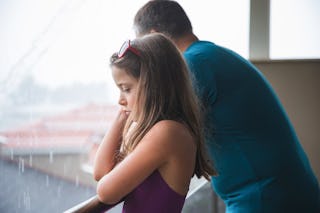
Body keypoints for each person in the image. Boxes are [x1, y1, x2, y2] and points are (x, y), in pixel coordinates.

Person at [133, 1, 320, 213]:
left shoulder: (193, 64)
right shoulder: (211, 56)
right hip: (280, 192)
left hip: (264, 198)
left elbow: (158, 131)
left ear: (158, 37)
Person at [93, 33, 216, 212]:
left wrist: (124, 118)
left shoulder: (168, 132)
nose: (120, 100)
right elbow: (100, 172)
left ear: (153, 86)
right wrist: (121, 117)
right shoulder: (164, 131)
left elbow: (105, 192)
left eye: (126, 89)